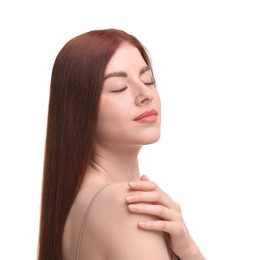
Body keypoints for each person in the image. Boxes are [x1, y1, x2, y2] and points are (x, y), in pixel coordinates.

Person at [37, 28, 205, 260]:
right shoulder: (132, 209)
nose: (145, 94)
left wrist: (188, 248)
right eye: (119, 87)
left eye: (148, 80)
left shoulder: (73, 201)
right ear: (79, 109)